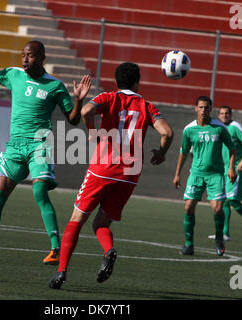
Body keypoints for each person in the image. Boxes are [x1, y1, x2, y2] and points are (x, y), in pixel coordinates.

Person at [0, 29, 92, 273]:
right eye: (23, 55)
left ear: (42, 57)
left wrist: (78, 100)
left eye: (29, 56)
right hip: (14, 147)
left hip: (39, 145)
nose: (24, 59)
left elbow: (73, 120)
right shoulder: (14, 75)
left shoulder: (54, 86)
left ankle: (56, 248)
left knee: (39, 189)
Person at [48, 62, 173, 289]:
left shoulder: (109, 97)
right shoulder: (147, 105)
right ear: (137, 82)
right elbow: (167, 132)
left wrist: (94, 133)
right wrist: (162, 153)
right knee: (101, 222)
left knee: (77, 219)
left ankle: (61, 272)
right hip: (129, 173)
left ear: (117, 82)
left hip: (103, 167)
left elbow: (86, 111)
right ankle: (108, 250)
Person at [173, 96, 236, 256]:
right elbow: (184, 152)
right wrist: (177, 174)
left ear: (211, 109)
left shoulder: (219, 127)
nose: (203, 110)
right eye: (200, 107)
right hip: (196, 174)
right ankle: (188, 245)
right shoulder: (189, 129)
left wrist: (231, 168)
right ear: (195, 108)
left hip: (215, 175)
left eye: (206, 107)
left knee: (218, 209)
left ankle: (219, 238)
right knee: (188, 208)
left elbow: (232, 148)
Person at [207, 106, 242, 241]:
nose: (224, 116)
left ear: (231, 115)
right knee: (224, 200)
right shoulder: (218, 128)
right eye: (222, 113)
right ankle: (224, 233)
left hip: (236, 168)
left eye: (227, 114)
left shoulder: (235, 127)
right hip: (224, 169)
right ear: (218, 115)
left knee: (232, 199)